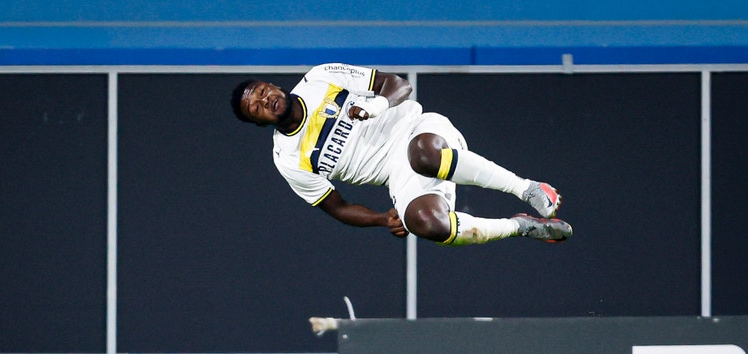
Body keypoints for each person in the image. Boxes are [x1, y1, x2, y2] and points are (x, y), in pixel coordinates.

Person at [230, 63, 572, 245]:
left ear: (273, 84)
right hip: (398, 176)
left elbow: (398, 84)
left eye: (262, 91)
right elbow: (337, 207)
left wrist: (379, 103)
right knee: (426, 223)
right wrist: (382, 218)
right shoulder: (287, 158)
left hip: (418, 131)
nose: (264, 100)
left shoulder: (320, 78)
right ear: (258, 123)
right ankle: (520, 227)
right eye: (255, 107)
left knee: (421, 154)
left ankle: (527, 188)